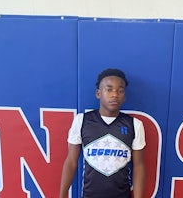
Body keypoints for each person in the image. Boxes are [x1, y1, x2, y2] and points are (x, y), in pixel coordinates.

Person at [59, 68, 146, 198]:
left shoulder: (135, 125)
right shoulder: (82, 121)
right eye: (109, 89)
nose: (115, 94)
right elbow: (71, 162)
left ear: (124, 96)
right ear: (98, 93)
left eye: (120, 90)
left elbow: (139, 166)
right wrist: (62, 195)